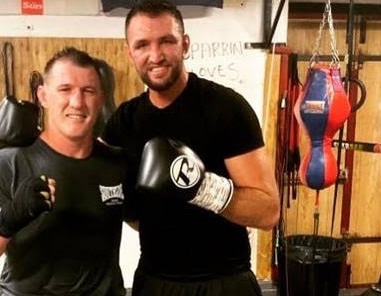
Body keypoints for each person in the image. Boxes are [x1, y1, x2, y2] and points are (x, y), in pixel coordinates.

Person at [100, 1, 280, 295]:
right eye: (142, 44)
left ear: (184, 45)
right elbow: (125, 207)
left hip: (225, 280)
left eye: (166, 41)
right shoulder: (123, 122)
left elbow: (268, 211)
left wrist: (203, 188)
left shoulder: (226, 109)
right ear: (129, 52)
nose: (155, 55)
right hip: (155, 280)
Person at [0, 46, 127, 296]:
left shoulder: (117, 163)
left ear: (101, 98)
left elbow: (143, 221)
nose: (77, 102)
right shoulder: (9, 163)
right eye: (65, 89)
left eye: (88, 91)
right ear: (43, 96)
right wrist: (9, 218)